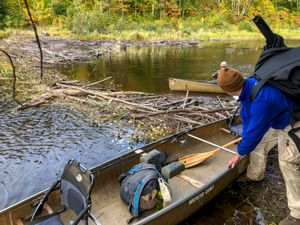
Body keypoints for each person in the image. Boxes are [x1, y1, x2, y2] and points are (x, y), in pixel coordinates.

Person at [217, 68, 300, 225]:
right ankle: (255, 175)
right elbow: (248, 119)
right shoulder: (248, 85)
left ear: (229, 90)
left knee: (288, 162)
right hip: (275, 118)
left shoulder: (262, 98)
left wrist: (239, 152)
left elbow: (255, 131)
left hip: (292, 122)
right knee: (258, 144)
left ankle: (297, 214)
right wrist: (246, 139)